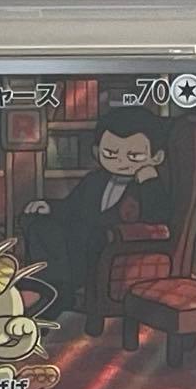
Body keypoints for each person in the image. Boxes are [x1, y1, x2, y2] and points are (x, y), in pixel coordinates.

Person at [22, 106, 171, 316]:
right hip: (73, 244)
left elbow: (159, 218)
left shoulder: (149, 187)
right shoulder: (94, 180)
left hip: (107, 249)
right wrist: (49, 207)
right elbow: (71, 206)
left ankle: (58, 294)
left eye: (134, 156)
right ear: (96, 152)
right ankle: (47, 289)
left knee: (86, 239)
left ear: (156, 157)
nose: (121, 161)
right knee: (38, 225)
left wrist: (148, 180)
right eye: (110, 153)